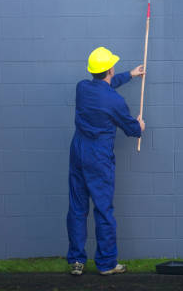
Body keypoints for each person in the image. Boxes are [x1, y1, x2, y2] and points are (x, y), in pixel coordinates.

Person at [66, 46, 146, 276]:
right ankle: (107, 263)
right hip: (98, 156)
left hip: (78, 151)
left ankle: (76, 261)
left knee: (77, 207)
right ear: (110, 69)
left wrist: (129, 75)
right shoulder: (115, 101)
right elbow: (132, 129)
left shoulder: (82, 88)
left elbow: (103, 87)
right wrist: (139, 126)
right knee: (102, 209)